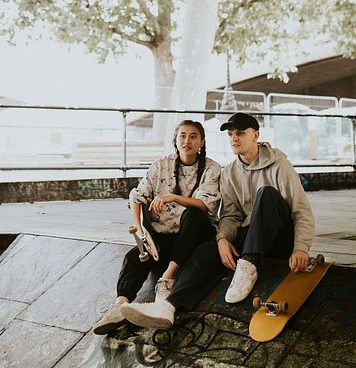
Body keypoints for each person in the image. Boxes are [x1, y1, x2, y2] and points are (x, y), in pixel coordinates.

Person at [122, 111, 315, 329]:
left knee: (267, 194)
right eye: (231, 134)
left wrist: (301, 248)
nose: (234, 138)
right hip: (253, 237)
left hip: (279, 236)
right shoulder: (230, 172)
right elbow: (231, 215)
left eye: (240, 133)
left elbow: (301, 210)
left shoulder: (280, 165)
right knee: (205, 252)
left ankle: (249, 264)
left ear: (255, 135)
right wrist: (222, 240)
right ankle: (169, 306)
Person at [93, 119, 221, 334]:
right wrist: (142, 233)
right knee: (135, 257)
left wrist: (173, 197)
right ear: (175, 140)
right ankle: (120, 306)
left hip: (196, 236)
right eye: (182, 136)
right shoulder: (161, 165)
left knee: (194, 214)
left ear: (202, 142)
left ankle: (167, 279)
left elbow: (205, 205)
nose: (187, 141)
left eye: (193, 136)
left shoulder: (212, 168)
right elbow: (137, 197)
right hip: (166, 236)